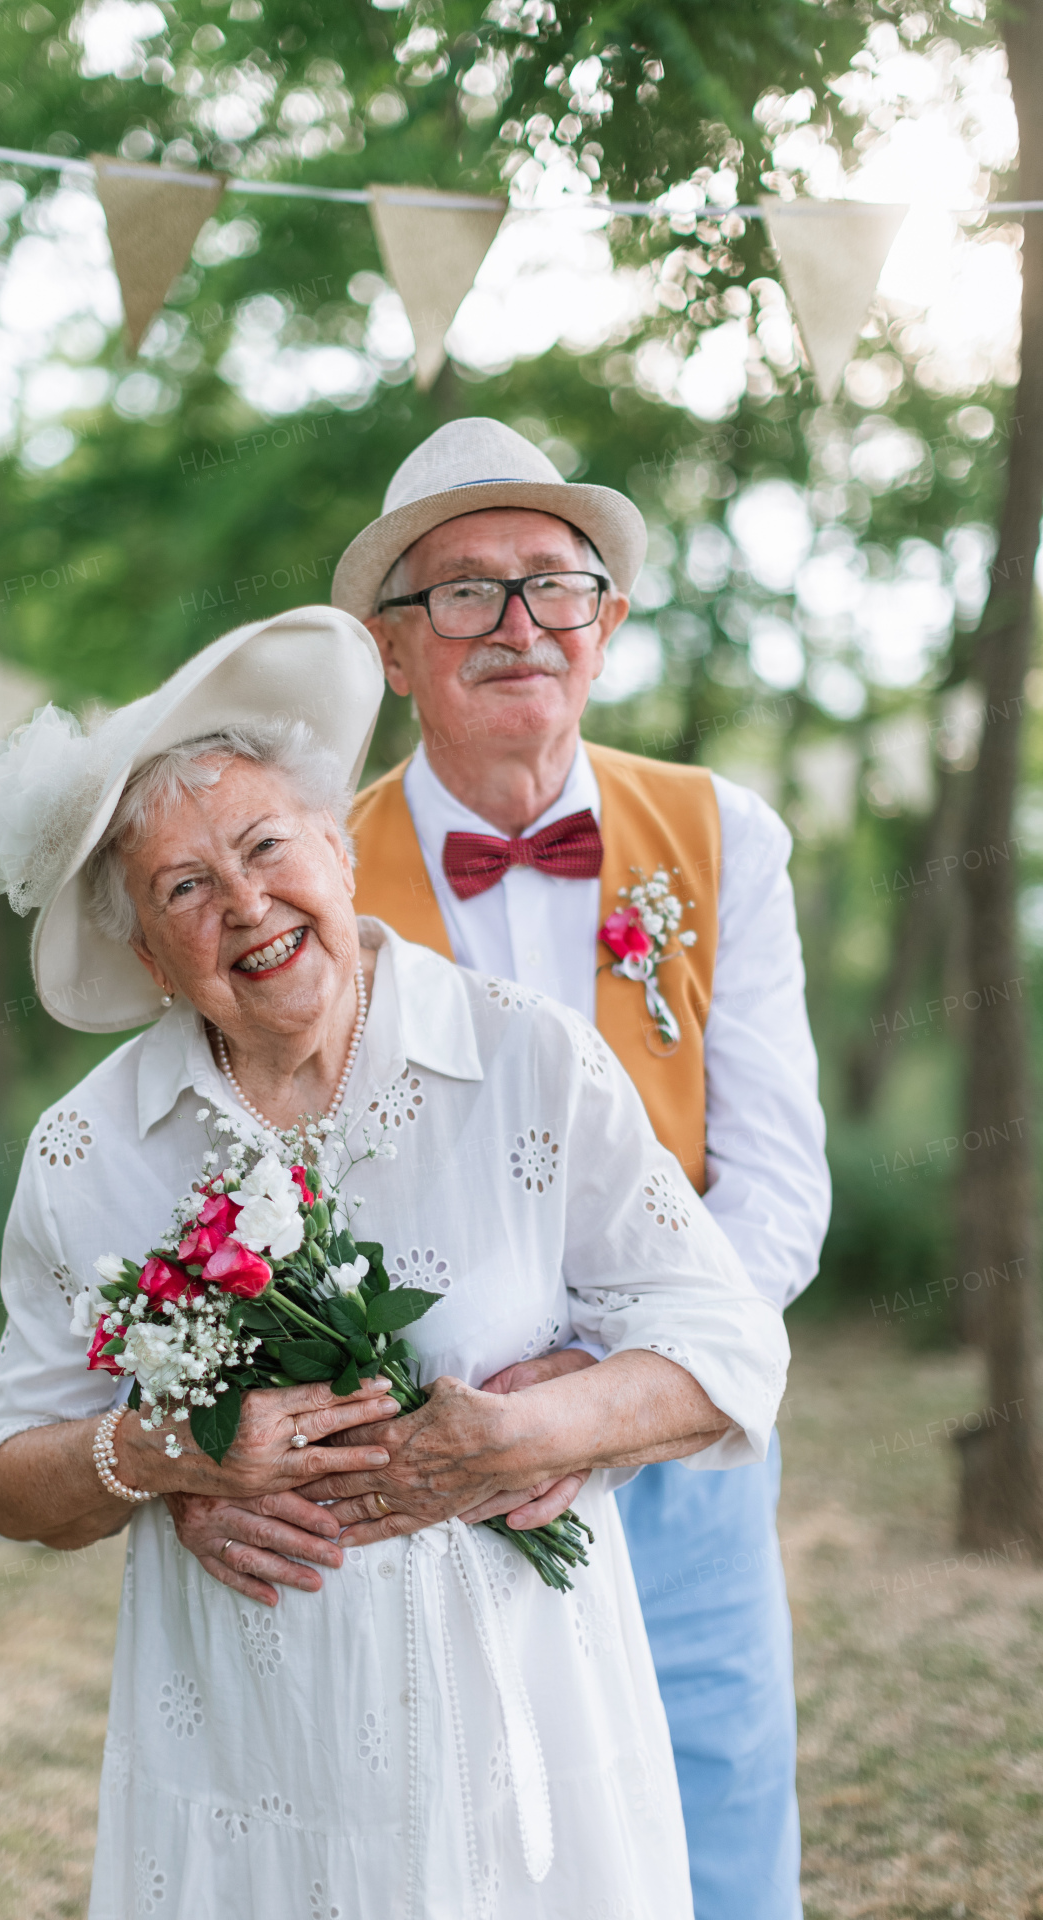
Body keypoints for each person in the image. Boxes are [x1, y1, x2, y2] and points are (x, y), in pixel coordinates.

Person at [0, 606, 791, 1920]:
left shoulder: (531, 1061)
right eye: (184, 888)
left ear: (340, 851)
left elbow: (732, 1346)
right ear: (149, 958)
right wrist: (167, 1453)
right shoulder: (89, 1149)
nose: (244, 903)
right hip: (247, 1765)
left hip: (525, 1756)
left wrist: (541, 1428)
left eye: (264, 845)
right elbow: (5, 1479)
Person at [174, 421, 831, 1920]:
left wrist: (610, 1389)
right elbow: (239, 1182)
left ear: (602, 623)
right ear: (393, 653)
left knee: (719, 1814)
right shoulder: (306, 863)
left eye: (553, 584)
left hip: (678, 1438)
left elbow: (779, 1173)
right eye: (463, 593)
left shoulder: (727, 833)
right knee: (459, 1852)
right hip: (424, 1455)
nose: (518, 624)